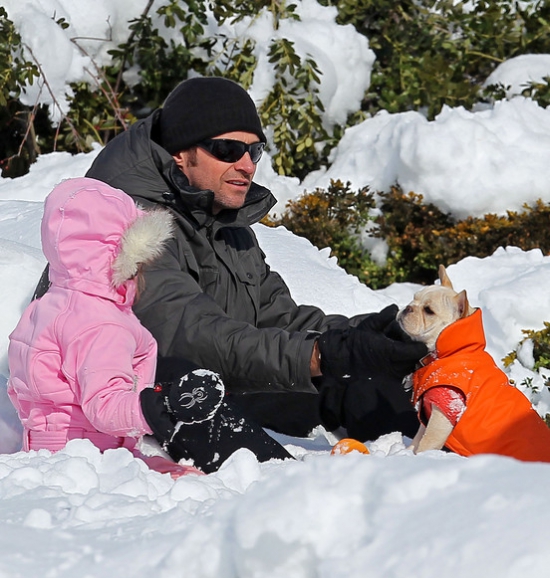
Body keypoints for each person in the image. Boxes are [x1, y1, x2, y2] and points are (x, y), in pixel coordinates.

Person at [33, 76, 427, 443]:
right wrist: (325, 356)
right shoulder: (128, 221)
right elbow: (189, 336)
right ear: (179, 154)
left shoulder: (222, 217)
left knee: (373, 383)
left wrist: (369, 337)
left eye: (254, 149)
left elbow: (280, 319)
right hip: (151, 400)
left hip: (218, 376)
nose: (247, 164)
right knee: (339, 388)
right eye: (227, 149)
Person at [9, 177, 291, 475]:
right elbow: (104, 406)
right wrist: (161, 406)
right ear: (122, 257)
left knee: (173, 470)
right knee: (186, 485)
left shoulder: (50, 305)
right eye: (143, 261)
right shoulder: (103, 324)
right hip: (88, 458)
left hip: (49, 451)